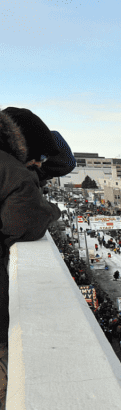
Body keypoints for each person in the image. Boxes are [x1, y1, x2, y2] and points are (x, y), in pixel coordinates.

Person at [0, 108, 69, 345]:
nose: (40, 165)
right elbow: (25, 224)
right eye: (39, 157)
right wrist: (51, 210)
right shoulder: (16, 173)